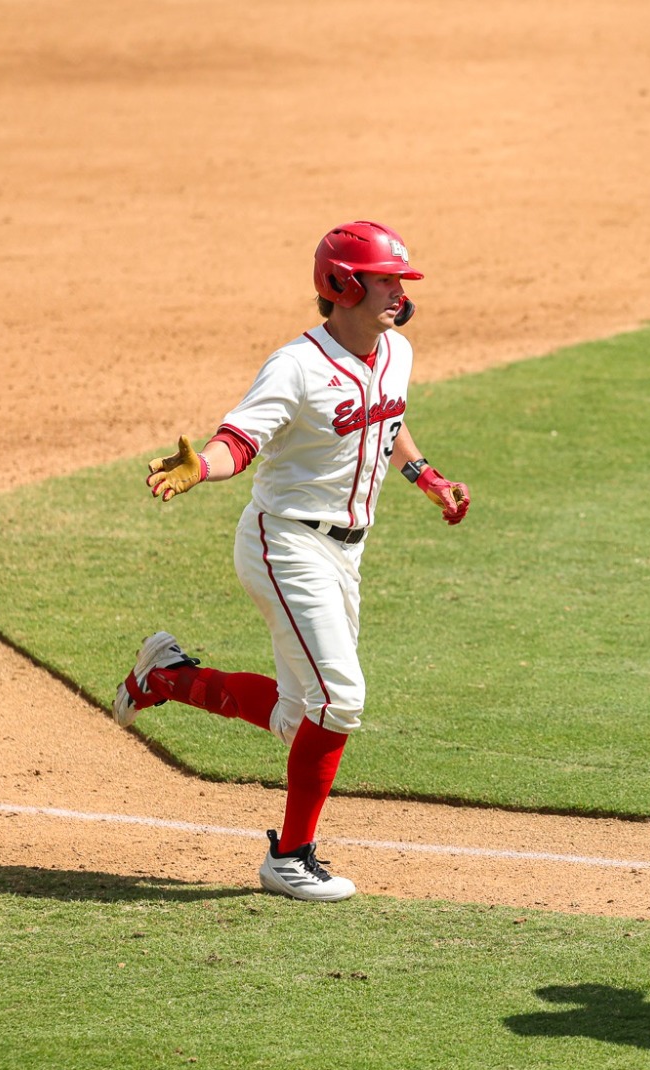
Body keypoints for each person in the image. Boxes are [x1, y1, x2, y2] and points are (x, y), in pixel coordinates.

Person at [109, 220, 471, 902]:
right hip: (285, 544)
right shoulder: (296, 366)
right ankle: (292, 856)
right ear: (343, 285)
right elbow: (238, 440)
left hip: (345, 555)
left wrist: (428, 478)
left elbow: (387, 423)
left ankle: (165, 675)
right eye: (387, 279)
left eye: (401, 279)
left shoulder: (396, 353)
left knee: (296, 713)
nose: (399, 291)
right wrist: (201, 468)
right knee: (343, 698)